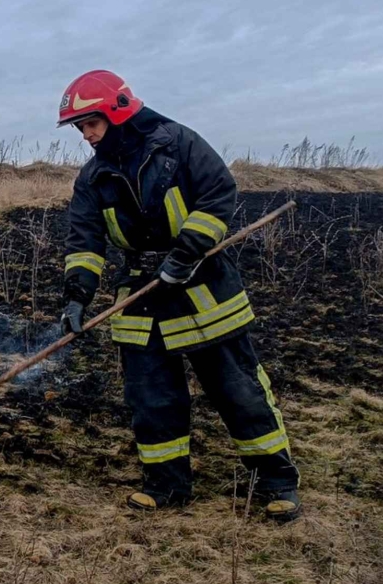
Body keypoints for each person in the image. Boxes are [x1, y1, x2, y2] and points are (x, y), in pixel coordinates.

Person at [56, 70, 301, 521]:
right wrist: (77, 295)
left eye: (91, 122)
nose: (86, 135)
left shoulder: (178, 144)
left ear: (117, 110)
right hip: (140, 298)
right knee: (151, 399)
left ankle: (275, 481)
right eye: (80, 127)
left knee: (239, 391)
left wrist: (186, 254)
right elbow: (84, 240)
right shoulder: (92, 177)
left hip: (204, 290)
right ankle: (166, 486)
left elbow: (217, 194)